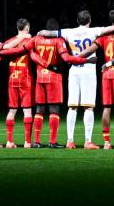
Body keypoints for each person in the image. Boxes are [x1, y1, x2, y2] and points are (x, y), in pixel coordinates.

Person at [35, 10, 114, 148]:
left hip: (74, 70)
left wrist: (41, 32)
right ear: (89, 20)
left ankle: (70, 141)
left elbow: (51, 33)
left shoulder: (69, 32)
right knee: (88, 108)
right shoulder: (95, 31)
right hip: (88, 70)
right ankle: (87, 141)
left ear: (78, 21)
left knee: (72, 107)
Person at [73, 9, 114, 150]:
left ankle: (107, 143)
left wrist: (75, 58)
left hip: (107, 75)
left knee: (106, 108)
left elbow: (90, 49)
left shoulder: (104, 35)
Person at [28, 19, 68, 147]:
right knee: (54, 109)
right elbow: (64, 57)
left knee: (39, 109)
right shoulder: (59, 40)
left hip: (40, 77)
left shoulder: (37, 39)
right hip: (54, 78)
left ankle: (36, 141)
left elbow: (31, 53)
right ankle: (52, 141)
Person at [0, 19, 34, 148]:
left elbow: (3, 49)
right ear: (27, 28)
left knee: (12, 110)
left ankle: (9, 141)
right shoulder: (30, 40)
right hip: (25, 78)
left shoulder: (9, 41)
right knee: (27, 110)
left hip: (12, 78)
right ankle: (28, 142)